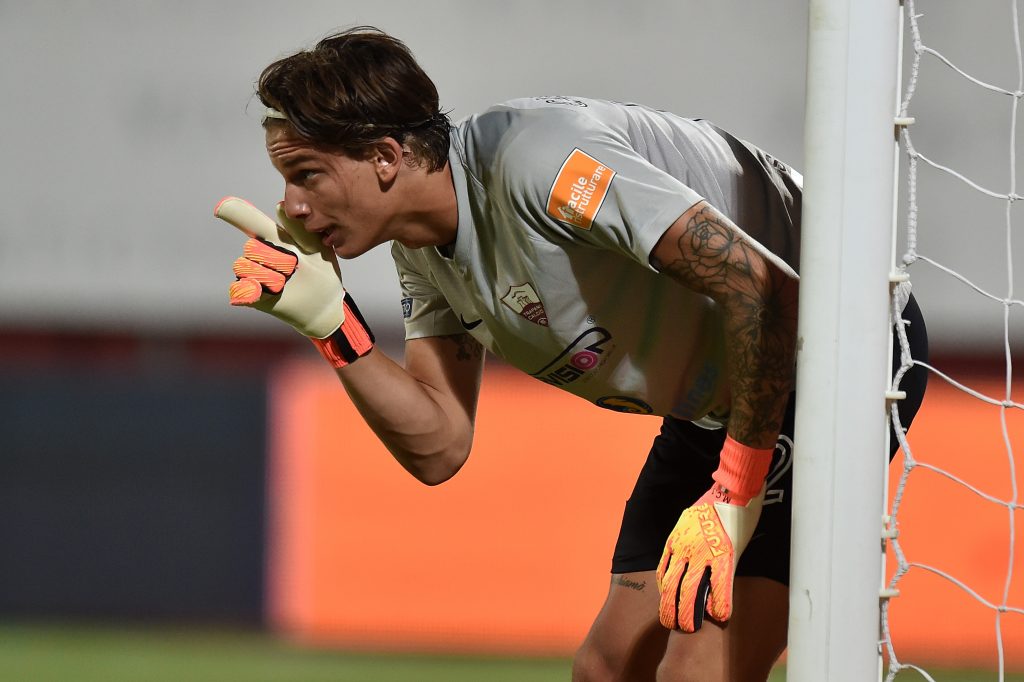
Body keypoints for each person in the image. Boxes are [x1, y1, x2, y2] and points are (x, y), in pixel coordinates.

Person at [216, 26, 929, 682]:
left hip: (832, 354)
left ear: (384, 157)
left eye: (305, 174)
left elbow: (765, 290)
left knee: (698, 673)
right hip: (715, 402)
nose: (291, 207)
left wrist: (734, 493)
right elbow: (440, 445)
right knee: (607, 671)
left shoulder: (540, 162)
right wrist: (333, 326)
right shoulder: (422, 252)